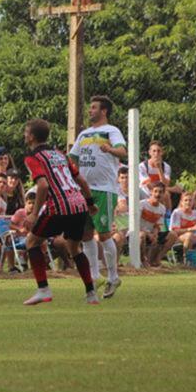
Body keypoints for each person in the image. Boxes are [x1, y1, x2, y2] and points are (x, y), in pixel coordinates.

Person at [20, 118, 100, 306]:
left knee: (31, 242)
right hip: (78, 205)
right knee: (74, 248)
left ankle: (43, 290)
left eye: (26, 132)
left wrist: (33, 214)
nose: (24, 135)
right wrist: (89, 203)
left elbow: (43, 185)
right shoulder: (59, 154)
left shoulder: (32, 158)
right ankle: (91, 294)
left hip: (59, 206)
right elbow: (80, 180)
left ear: (31, 137)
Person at [69, 95, 127, 298]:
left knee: (103, 234)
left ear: (104, 111)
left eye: (94, 108)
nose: (90, 110)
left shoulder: (112, 131)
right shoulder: (83, 134)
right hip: (84, 190)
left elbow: (122, 151)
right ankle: (94, 276)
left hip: (104, 189)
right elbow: (73, 158)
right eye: (90, 107)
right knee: (85, 235)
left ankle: (113, 276)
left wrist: (110, 149)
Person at [139, 141, 182, 212]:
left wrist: (159, 168)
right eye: (154, 151)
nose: (156, 154)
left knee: (166, 194)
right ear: (149, 152)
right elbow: (149, 185)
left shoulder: (166, 167)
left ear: (162, 152)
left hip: (159, 193)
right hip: (144, 193)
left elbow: (165, 184)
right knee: (164, 193)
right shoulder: (142, 166)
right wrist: (173, 189)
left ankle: (167, 217)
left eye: (158, 151)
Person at [138, 183, 169, 266]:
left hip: (150, 233)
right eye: (155, 191)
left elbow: (157, 225)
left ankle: (156, 260)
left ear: (163, 194)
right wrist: (149, 234)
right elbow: (135, 223)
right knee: (142, 235)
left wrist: (155, 234)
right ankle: (142, 260)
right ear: (151, 192)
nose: (157, 194)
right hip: (138, 232)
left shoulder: (162, 208)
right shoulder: (142, 204)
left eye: (160, 192)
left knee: (172, 235)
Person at [169, 192, 196, 259]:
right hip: (177, 239)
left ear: (193, 202)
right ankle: (186, 259)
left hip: (193, 237)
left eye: (190, 200)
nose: (188, 202)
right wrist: (191, 229)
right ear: (181, 202)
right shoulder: (177, 213)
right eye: (186, 200)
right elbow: (174, 231)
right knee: (189, 235)